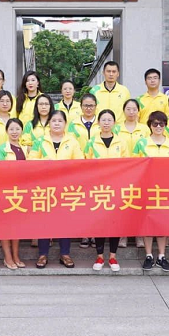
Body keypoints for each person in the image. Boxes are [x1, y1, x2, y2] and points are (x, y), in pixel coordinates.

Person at [28, 110, 83, 268]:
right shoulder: (40, 141)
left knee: (65, 221)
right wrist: (47, 162)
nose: (57, 123)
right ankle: (42, 254)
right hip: (45, 189)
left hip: (66, 189)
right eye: (54, 120)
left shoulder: (72, 142)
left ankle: (65, 254)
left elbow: (80, 163)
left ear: (65, 124)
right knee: (44, 221)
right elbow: (31, 161)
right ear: (49, 123)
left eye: (60, 121)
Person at [132, 111, 169, 272]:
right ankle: (148, 255)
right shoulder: (141, 143)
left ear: (165, 125)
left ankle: (161, 256)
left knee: (162, 222)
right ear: (150, 125)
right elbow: (135, 165)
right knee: (148, 221)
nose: (158, 127)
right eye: (155, 124)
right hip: (147, 187)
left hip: (166, 188)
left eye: (162, 124)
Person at [85, 109, 129, 272]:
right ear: (98, 122)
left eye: (109, 120)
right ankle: (99, 256)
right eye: (103, 119)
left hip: (116, 188)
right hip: (98, 189)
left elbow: (127, 165)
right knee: (100, 222)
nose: (106, 122)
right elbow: (86, 164)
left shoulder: (121, 142)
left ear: (114, 123)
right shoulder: (91, 142)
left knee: (115, 223)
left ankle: (112, 256)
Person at [113, 98, 150, 248]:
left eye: (134, 109)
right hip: (121, 171)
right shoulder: (116, 128)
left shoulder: (145, 129)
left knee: (139, 203)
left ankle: (139, 235)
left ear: (138, 111)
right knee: (123, 204)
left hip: (141, 171)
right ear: (123, 111)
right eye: (128, 109)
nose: (131, 112)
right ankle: (123, 235)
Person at [0, 118, 28, 270]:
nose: (14, 132)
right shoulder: (2, 149)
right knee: (5, 226)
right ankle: (7, 257)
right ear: (6, 131)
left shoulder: (25, 148)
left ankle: (16, 255)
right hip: (6, 191)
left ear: (22, 131)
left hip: (21, 192)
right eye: (11, 129)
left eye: (17, 129)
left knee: (17, 226)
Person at [67, 93, 98, 248]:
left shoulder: (102, 122)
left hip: (98, 169)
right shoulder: (73, 124)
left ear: (96, 107)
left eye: (91, 105)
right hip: (79, 167)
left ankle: (96, 233)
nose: (88, 108)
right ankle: (85, 234)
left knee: (96, 200)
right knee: (83, 201)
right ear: (81, 107)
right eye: (85, 105)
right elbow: (70, 142)